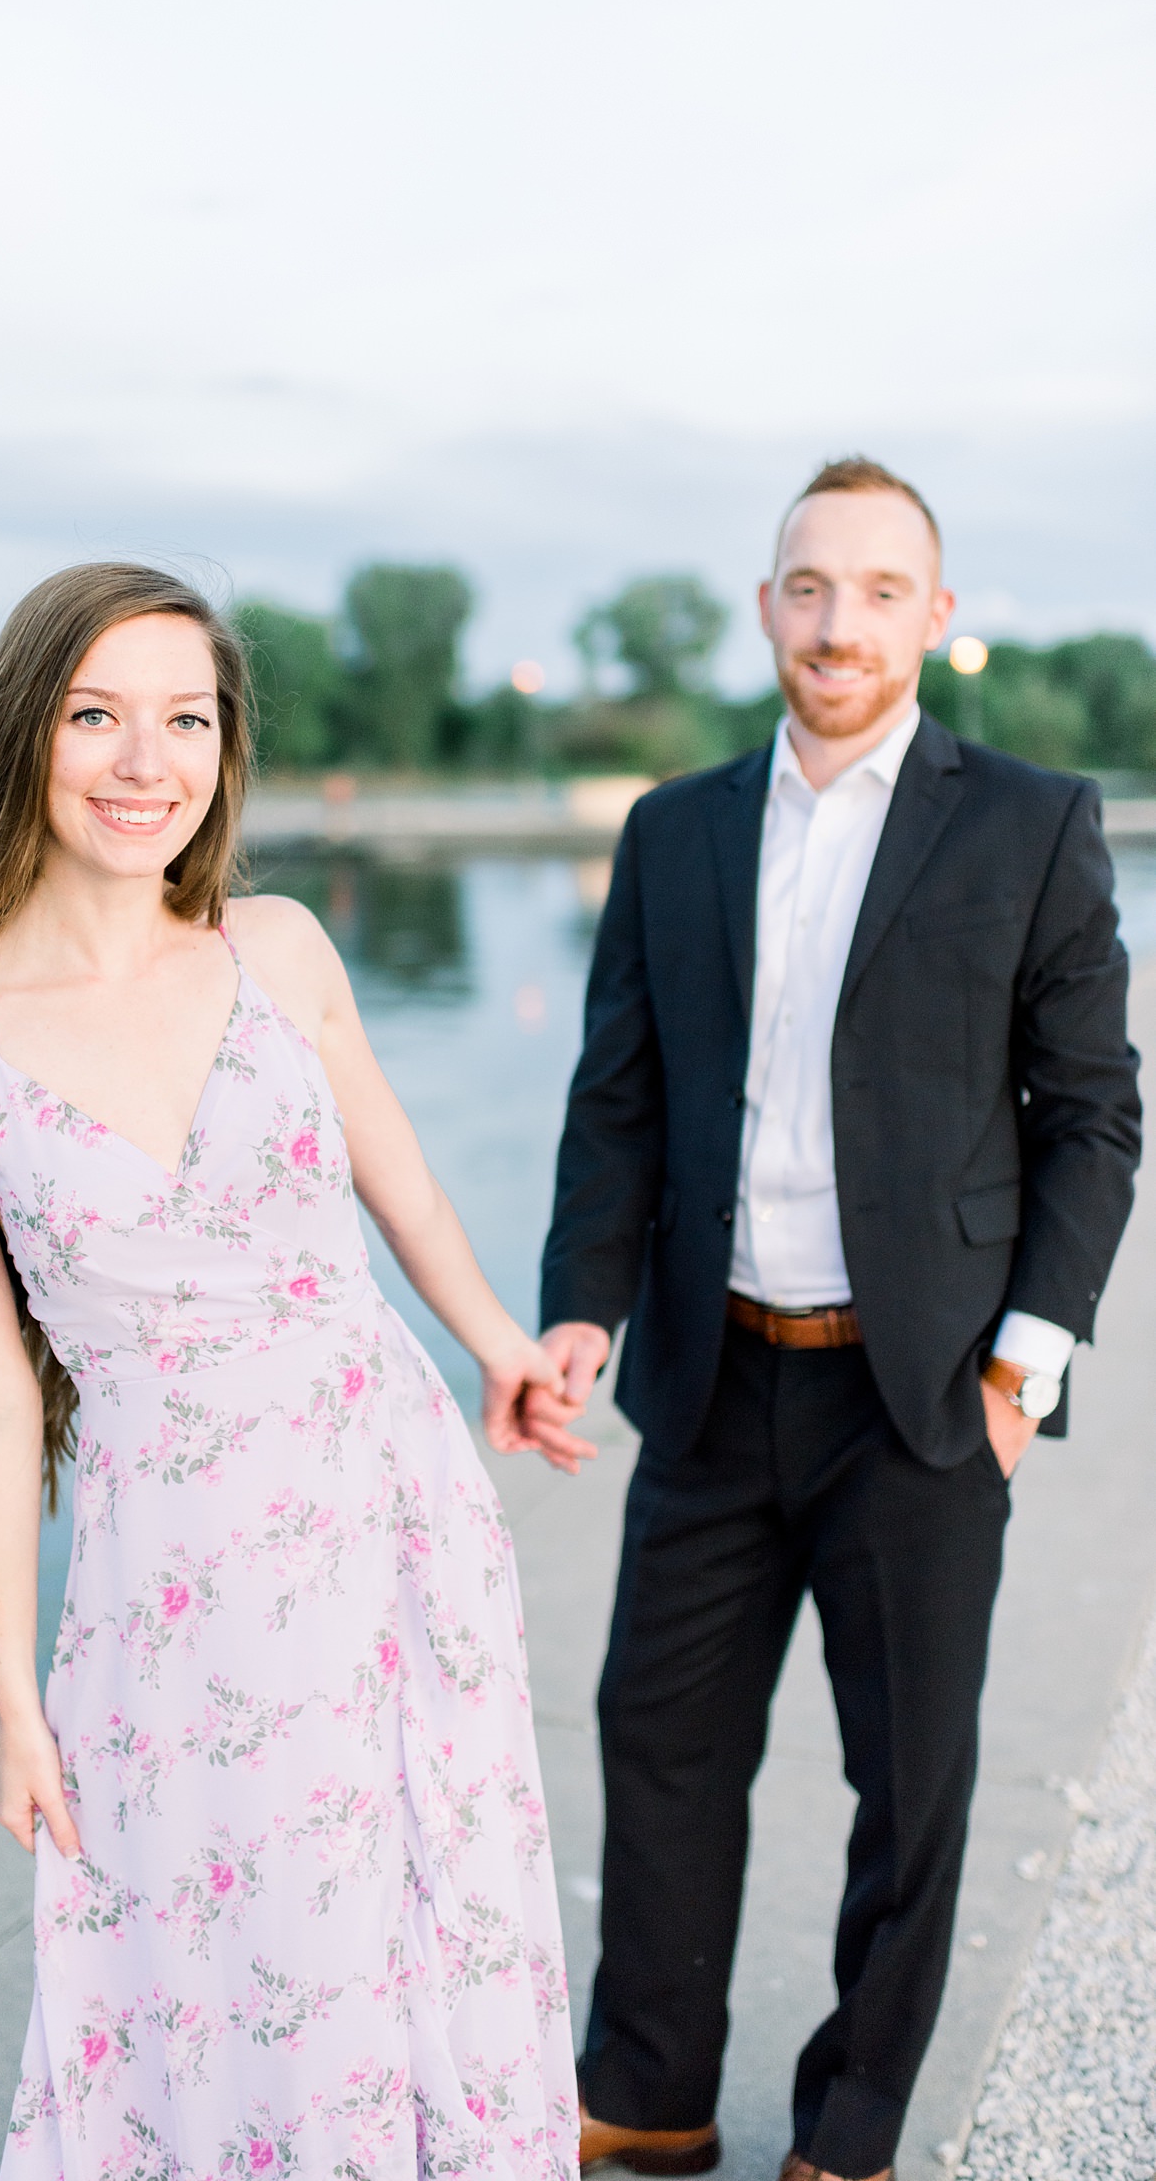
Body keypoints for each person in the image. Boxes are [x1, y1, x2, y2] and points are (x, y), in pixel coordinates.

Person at [0, 562, 584, 2181]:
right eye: (96, 715)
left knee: (420, 1922)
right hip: (169, 1578)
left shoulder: (280, 946)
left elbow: (394, 1173)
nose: (145, 762)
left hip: (386, 1507)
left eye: (183, 717)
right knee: (213, 1958)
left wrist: (497, 1350)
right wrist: (11, 1690)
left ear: (224, 744)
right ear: (20, 739)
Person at [532, 460, 1141, 2181]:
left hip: (924, 1397)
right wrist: (580, 1311)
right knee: (654, 1748)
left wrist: (1025, 1368)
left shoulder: (1025, 821)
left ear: (932, 621)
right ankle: (644, 2095)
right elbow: (617, 1104)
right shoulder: (675, 831)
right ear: (764, 610)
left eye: (880, 591)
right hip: (711, 1379)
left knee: (911, 1794)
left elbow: (1090, 1111)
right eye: (809, 587)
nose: (839, 622)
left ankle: (851, 2129)